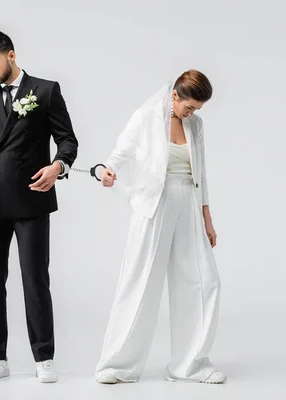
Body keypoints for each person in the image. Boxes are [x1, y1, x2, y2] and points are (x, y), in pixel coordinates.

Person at [0, 30, 78, 383]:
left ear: (11, 55)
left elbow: (68, 140)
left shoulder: (45, 90)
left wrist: (58, 167)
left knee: (35, 280)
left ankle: (44, 358)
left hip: (31, 200)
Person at [94, 70, 226, 384]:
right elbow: (120, 152)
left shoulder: (196, 125)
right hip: (154, 205)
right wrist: (108, 170)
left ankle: (190, 365)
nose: (192, 114)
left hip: (189, 207)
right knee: (139, 281)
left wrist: (207, 219)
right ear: (175, 95)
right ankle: (117, 364)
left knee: (204, 282)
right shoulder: (145, 118)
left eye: (197, 110)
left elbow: (202, 174)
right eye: (189, 107)